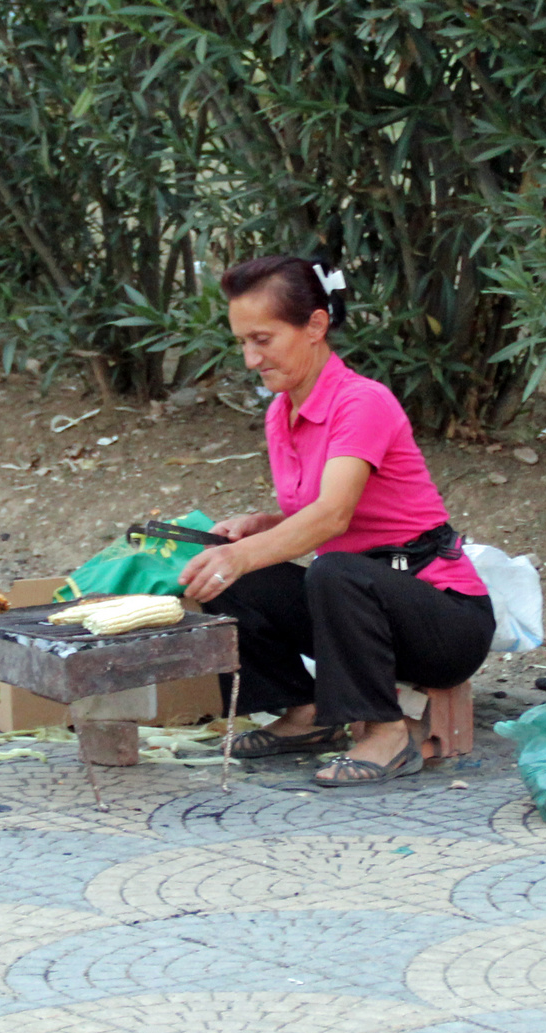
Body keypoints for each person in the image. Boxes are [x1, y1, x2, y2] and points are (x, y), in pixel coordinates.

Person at [178, 255, 494, 787]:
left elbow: (333, 515)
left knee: (325, 569)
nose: (251, 359)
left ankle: (388, 734)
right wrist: (263, 526)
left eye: (263, 339)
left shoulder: (363, 402)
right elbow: (324, 513)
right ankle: (301, 712)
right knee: (221, 573)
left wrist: (248, 552)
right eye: (242, 343)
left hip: (445, 620)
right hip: (357, 604)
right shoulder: (282, 411)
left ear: (316, 327)